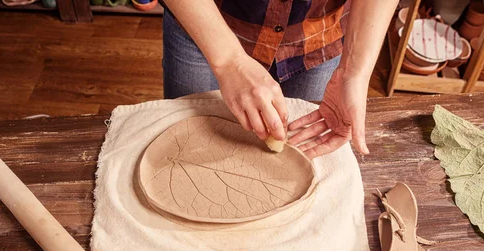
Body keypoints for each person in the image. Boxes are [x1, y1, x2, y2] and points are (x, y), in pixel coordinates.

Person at [161, 0, 398, 158]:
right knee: (184, 147)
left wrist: (353, 71)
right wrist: (229, 61)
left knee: (301, 152)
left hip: (317, 33)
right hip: (204, 18)